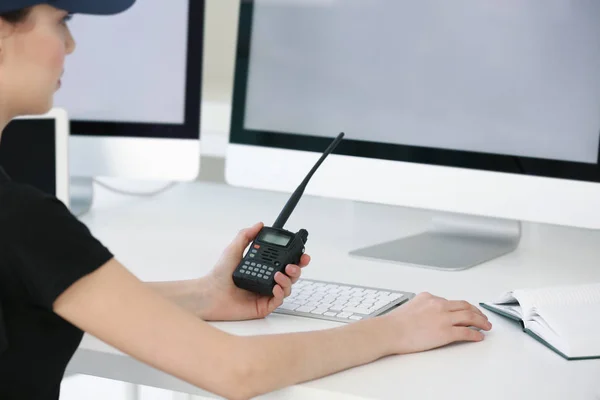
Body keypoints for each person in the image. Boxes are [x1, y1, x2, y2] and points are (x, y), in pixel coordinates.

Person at [0, 1, 492, 399]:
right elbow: (237, 371)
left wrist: (205, 294)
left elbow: (32, 297)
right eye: (61, 20)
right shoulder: (25, 220)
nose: (70, 43)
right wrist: (394, 331)